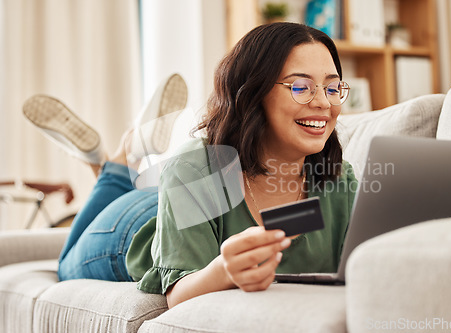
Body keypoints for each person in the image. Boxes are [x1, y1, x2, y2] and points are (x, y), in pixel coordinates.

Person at [24, 22, 357, 309]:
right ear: (252, 93)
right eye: (300, 87)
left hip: (178, 201)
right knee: (66, 265)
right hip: (130, 229)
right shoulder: (194, 168)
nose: (323, 103)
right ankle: (116, 164)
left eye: (332, 87)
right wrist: (224, 271)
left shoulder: (341, 181)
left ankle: (121, 158)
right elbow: (177, 296)